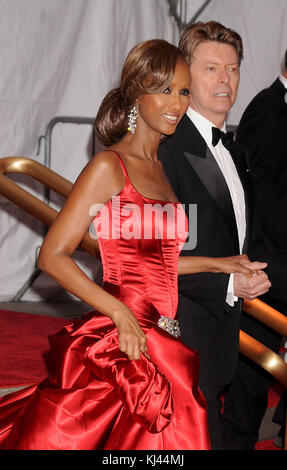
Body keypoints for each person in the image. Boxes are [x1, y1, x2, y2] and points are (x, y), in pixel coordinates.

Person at [0, 39, 254, 451]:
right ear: (137, 95)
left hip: (166, 333)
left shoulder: (162, 167)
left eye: (183, 91)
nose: (176, 103)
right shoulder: (109, 166)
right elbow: (52, 256)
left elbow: (158, 261)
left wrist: (220, 264)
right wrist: (118, 312)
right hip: (125, 335)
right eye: (164, 89)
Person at [158, 21, 272, 450]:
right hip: (178, 338)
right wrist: (227, 281)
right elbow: (154, 257)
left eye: (233, 68)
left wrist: (256, 273)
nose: (225, 80)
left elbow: (242, 238)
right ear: (185, 74)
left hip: (220, 338)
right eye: (211, 69)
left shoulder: (236, 151)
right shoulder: (166, 149)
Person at [223, 48, 287, 449]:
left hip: (275, 265)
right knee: (251, 375)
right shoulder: (267, 111)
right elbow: (264, 199)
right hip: (269, 267)